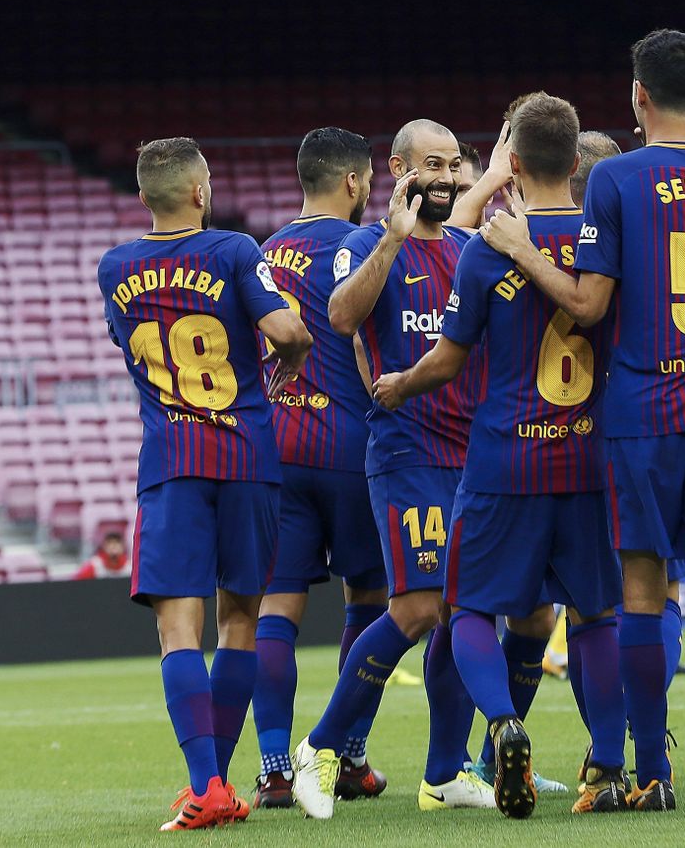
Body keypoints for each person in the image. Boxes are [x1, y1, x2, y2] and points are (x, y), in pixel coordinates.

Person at [483, 30, 685, 816]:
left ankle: (651, 771)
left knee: (642, 592)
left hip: (643, 409)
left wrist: (522, 247)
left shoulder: (615, 179)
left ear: (636, 98)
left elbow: (589, 303)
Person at [373, 94, 630, 818]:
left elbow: (449, 360)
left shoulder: (487, 249)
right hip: (587, 456)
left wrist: (401, 382)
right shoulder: (606, 239)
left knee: (469, 612)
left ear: (511, 162)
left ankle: (503, 724)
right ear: (577, 160)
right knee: (596, 614)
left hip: (504, 457)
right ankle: (608, 763)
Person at [98, 137, 312, 830]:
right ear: (199, 191)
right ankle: (217, 784)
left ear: (144, 196)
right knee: (240, 620)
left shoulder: (115, 267)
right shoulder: (234, 252)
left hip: (174, 460)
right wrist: (285, 360)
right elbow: (288, 329)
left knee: (177, 630)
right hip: (249, 454)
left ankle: (208, 786)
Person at [290, 120, 495, 819]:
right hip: (407, 450)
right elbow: (341, 317)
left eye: (451, 165)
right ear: (399, 170)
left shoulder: (470, 248)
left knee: (465, 611)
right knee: (413, 608)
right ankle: (316, 747)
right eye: (429, 164)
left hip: (475, 456)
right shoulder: (360, 245)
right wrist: (394, 235)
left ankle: (444, 772)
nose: (442, 175)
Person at [251, 127, 392, 810]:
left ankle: (275, 766)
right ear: (354, 182)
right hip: (352, 446)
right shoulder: (359, 247)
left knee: (275, 608)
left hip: (276, 449)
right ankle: (347, 756)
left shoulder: (263, 252)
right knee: (369, 602)